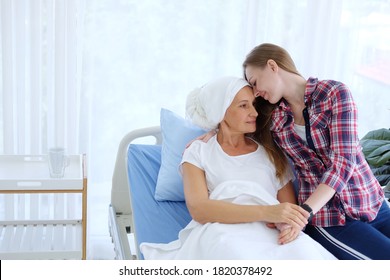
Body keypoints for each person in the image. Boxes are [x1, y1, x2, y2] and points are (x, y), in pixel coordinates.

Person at [140, 76, 336, 260]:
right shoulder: (198, 152)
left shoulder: (271, 153)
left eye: (253, 105)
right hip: (223, 231)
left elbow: (287, 211)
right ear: (220, 110)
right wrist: (268, 212)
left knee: (306, 257)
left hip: (271, 235)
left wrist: (288, 226)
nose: (254, 113)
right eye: (244, 106)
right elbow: (200, 210)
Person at [243, 43, 390, 260]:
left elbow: (343, 162)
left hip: (370, 202)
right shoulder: (274, 118)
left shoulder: (334, 93)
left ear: (272, 65)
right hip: (328, 218)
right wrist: (210, 135)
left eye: (254, 82)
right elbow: (237, 126)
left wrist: (302, 214)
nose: (256, 92)